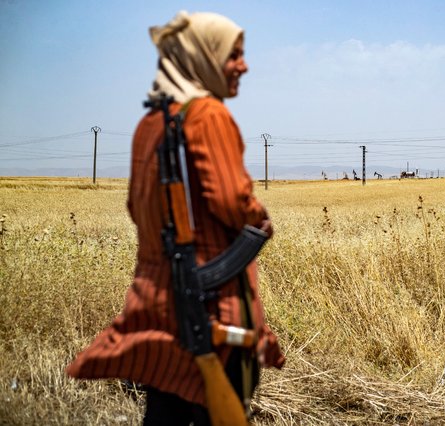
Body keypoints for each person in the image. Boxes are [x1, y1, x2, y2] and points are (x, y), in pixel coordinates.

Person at [66, 11, 285, 425]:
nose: (244, 65)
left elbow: (137, 207)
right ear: (202, 56)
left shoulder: (148, 125)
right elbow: (233, 201)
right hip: (212, 310)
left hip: (159, 309)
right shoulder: (208, 116)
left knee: (165, 413)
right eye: (232, 55)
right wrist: (260, 217)